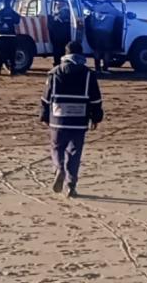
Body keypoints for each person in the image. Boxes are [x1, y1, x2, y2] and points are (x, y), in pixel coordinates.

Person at [40, 41, 103, 198]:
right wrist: (96, 117)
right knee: (74, 153)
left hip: (58, 118)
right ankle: (71, 185)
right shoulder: (88, 74)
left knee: (56, 147)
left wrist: (44, 115)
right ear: (81, 55)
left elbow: (46, 98)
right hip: (79, 121)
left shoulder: (54, 73)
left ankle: (59, 168)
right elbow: (95, 99)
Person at [87, 0, 121, 73]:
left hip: (95, 32)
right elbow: (121, 16)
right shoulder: (113, 10)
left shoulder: (96, 7)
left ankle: (97, 68)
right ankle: (105, 68)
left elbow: (89, 11)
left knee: (97, 49)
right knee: (106, 50)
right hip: (107, 32)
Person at [0, 0, 21, 76]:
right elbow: (17, 20)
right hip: (11, 35)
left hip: (0, 35)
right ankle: (11, 70)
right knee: (11, 53)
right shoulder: (12, 12)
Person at [48, 0, 71, 67]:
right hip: (61, 36)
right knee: (61, 51)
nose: (58, 5)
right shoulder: (64, 12)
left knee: (58, 51)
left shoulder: (63, 12)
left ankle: (58, 65)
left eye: (59, 4)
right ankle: (61, 64)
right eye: (57, 4)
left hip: (59, 36)